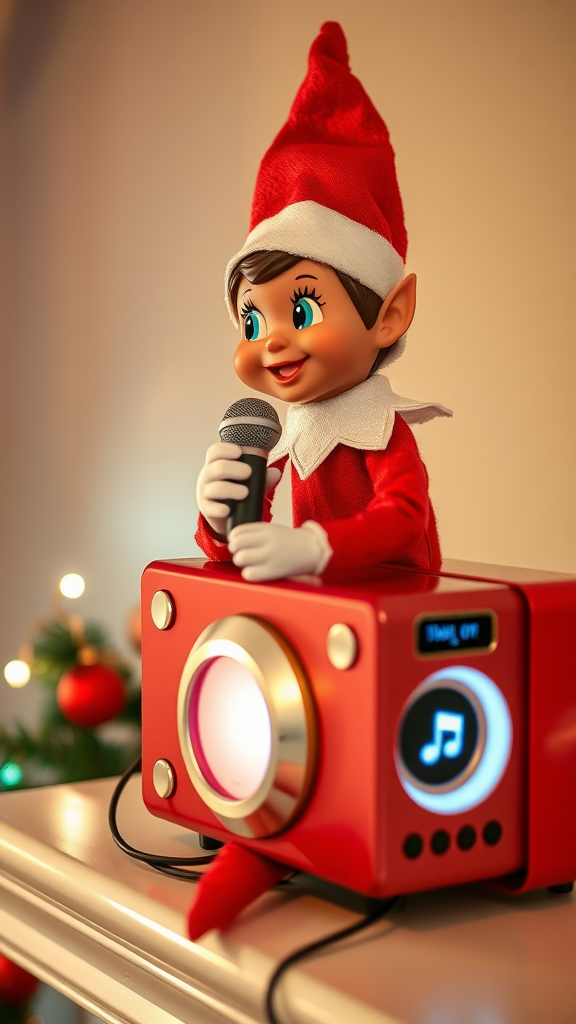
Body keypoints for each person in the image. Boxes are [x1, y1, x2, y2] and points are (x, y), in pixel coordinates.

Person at [195, 21, 451, 582]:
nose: (272, 341)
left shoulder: (380, 427)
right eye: (252, 320)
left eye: (303, 310)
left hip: (396, 605)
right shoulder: (292, 430)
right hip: (325, 613)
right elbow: (244, 550)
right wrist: (220, 520)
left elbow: (404, 517)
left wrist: (314, 549)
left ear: (390, 315)